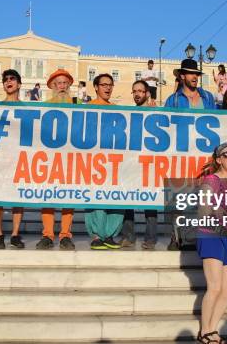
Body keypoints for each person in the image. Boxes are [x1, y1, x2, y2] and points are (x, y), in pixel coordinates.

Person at [165, 59, 216, 251]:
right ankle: (175, 236)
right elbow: (167, 124)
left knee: (203, 197)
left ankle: (200, 235)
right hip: (181, 153)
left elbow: (218, 121)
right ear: (182, 76)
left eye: (196, 74)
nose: (194, 77)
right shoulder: (173, 100)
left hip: (204, 155)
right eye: (190, 73)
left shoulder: (208, 97)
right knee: (177, 196)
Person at [196, 143, 227, 344]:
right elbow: (204, 210)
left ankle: (212, 329)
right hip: (211, 235)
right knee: (214, 287)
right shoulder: (211, 180)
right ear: (219, 160)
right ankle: (204, 331)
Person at [35, 69, 76, 250]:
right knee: (47, 197)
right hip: (49, 158)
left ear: (69, 86)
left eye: (65, 83)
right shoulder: (45, 105)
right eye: (58, 83)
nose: (62, 86)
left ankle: (66, 235)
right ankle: (48, 235)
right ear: (52, 86)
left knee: (68, 197)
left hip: (72, 158)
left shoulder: (78, 104)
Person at [85, 73, 124, 249]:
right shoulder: (87, 108)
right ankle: (96, 236)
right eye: (104, 85)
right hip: (94, 162)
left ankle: (109, 235)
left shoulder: (117, 109)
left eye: (110, 85)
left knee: (115, 198)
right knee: (96, 199)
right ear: (96, 87)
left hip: (114, 162)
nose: (108, 88)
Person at [120, 80, 158, 250]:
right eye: (134, 91)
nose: (137, 94)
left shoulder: (156, 113)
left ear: (147, 93)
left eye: (141, 91)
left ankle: (150, 238)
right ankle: (128, 236)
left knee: (150, 203)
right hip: (130, 163)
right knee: (127, 200)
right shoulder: (128, 114)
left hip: (149, 163)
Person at [0, 70, 25, 249]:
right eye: (5, 80)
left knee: (18, 196)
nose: (8, 82)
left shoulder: (27, 109)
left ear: (19, 84)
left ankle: (15, 234)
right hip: (0, 158)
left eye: (12, 79)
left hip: (19, 158)